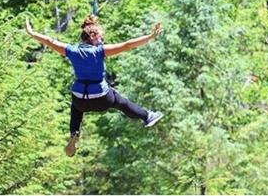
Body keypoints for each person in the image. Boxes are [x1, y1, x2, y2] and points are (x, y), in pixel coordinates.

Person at [25, 15, 164, 157]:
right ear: (93, 37)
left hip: (81, 99)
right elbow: (127, 45)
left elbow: (49, 41)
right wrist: (150, 36)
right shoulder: (100, 51)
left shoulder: (72, 50)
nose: (102, 40)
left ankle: (74, 132)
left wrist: (31, 32)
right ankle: (147, 117)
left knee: (75, 107)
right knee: (120, 102)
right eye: (100, 37)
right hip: (101, 99)